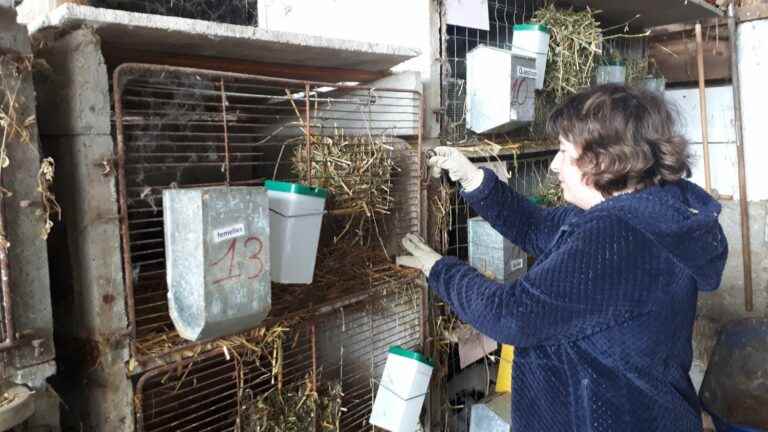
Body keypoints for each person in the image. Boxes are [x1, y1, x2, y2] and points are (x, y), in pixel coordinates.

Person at [398, 84, 728, 431]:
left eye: (563, 152)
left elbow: (512, 315)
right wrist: (474, 178)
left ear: (602, 160)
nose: (554, 165)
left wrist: (439, 269)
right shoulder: (649, 210)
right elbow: (537, 227)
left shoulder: (620, 235)